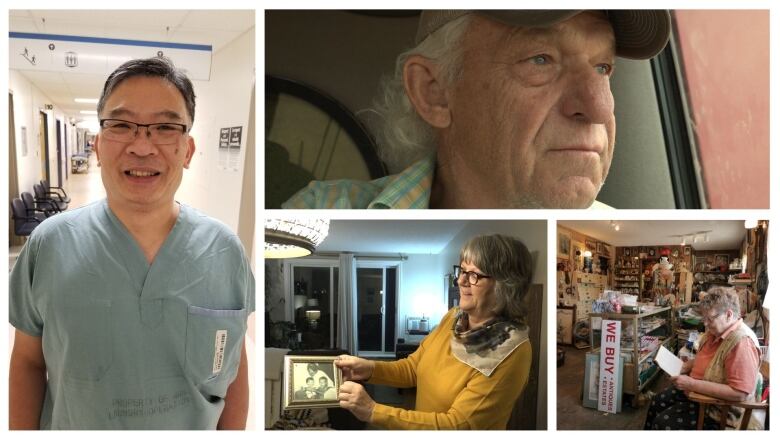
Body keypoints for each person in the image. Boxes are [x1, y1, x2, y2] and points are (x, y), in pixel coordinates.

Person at [9, 57, 254, 430]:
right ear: (99, 146)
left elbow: (233, 370)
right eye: (122, 125)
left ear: (187, 150)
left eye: (165, 127)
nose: (142, 147)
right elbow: (28, 361)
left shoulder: (224, 252)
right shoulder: (49, 245)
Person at [283, 10, 671, 209]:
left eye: (603, 67)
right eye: (540, 59)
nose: (600, 107)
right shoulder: (318, 212)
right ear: (434, 91)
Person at [335, 234, 534, 429]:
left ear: (505, 286)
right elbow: (413, 368)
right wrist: (368, 369)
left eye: (474, 275)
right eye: (462, 271)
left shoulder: (512, 351)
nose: (461, 281)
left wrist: (372, 411)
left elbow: (458, 425)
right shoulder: (453, 317)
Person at [644, 287, 762, 430]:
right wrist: (687, 366)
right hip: (698, 392)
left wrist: (692, 384)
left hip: (716, 409)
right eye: (704, 318)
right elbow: (715, 359)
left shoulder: (742, 343)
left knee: (661, 423)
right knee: (657, 402)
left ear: (729, 315)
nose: (705, 323)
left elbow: (740, 393)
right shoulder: (718, 330)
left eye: (710, 318)